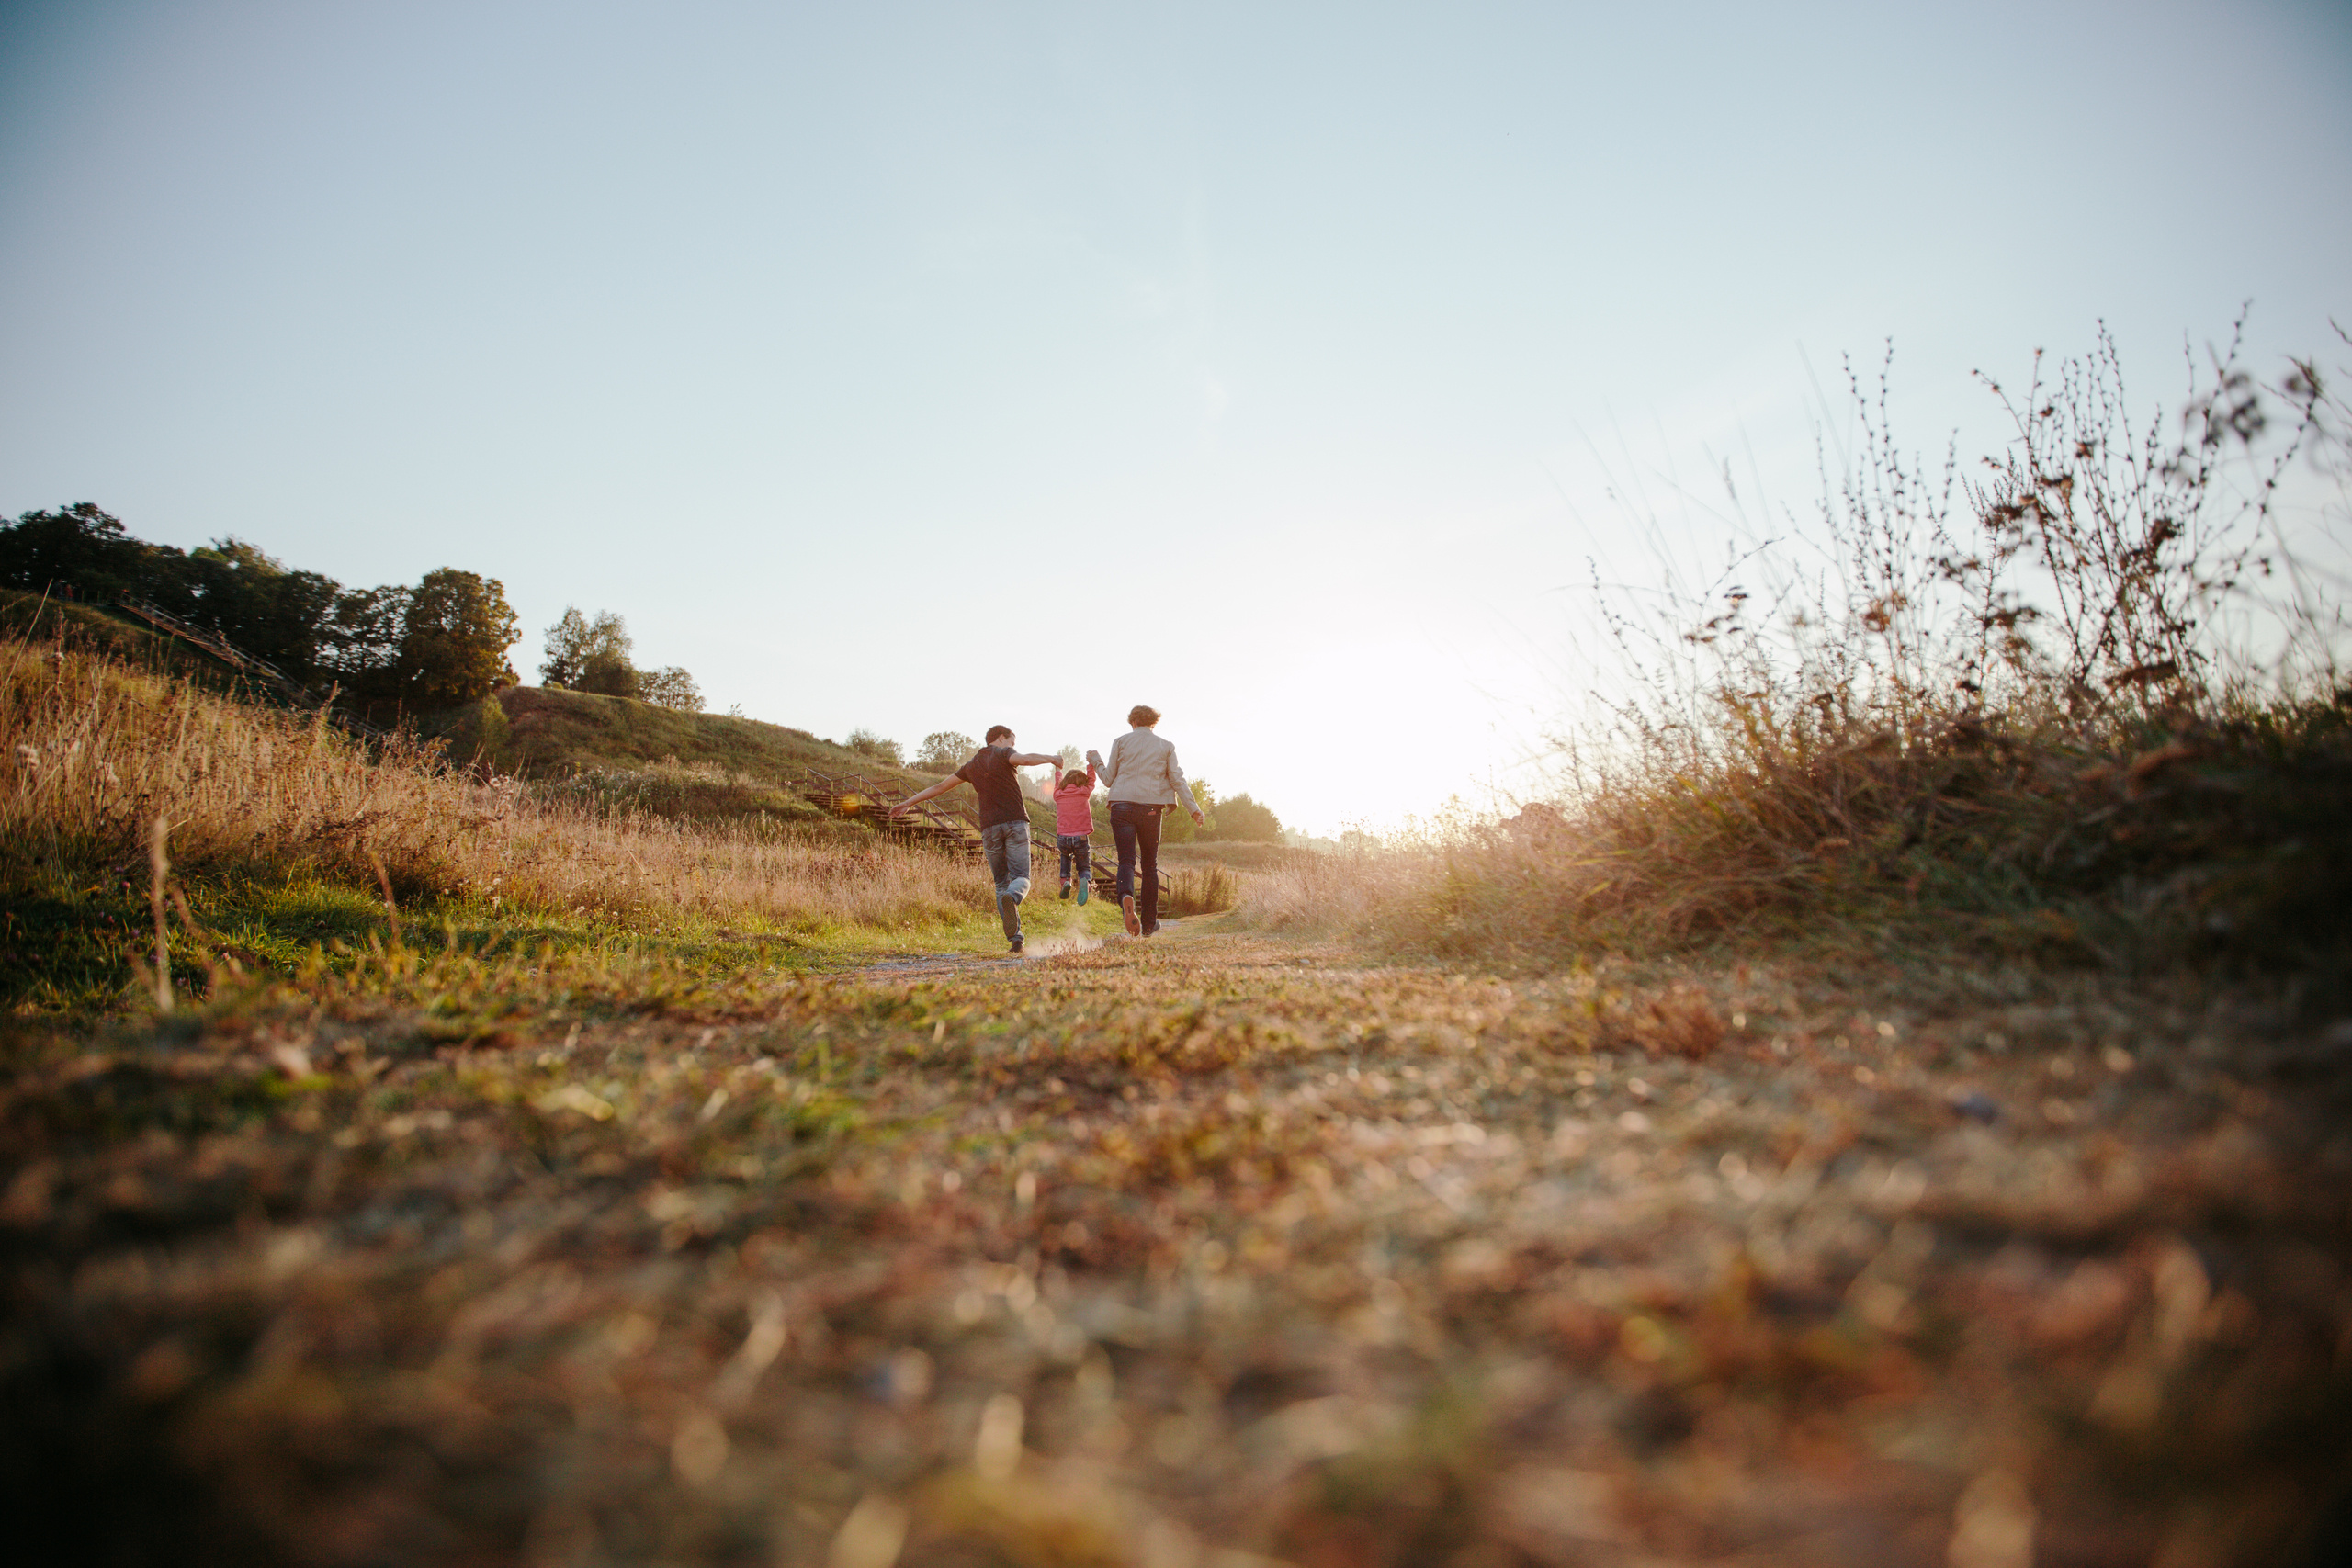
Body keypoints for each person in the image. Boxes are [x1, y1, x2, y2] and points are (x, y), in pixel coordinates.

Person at [890, 725, 1060, 953]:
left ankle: (1016, 939)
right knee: (1021, 878)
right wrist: (1052, 758)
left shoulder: (971, 766)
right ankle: (1014, 896)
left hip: (989, 829)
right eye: (1012, 741)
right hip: (1015, 823)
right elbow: (1025, 759)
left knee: (1001, 883)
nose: (1013, 746)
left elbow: (940, 787)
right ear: (1001, 738)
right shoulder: (1004, 753)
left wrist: (908, 802)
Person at [1098, 704, 1204, 938]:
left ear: (1132, 722)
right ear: (1153, 723)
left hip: (1121, 805)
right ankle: (1148, 924)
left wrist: (1096, 761)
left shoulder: (1120, 741)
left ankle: (1126, 895)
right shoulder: (1166, 746)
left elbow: (1107, 779)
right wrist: (1193, 809)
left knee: (1126, 860)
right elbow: (1178, 780)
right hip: (1151, 810)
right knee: (1149, 866)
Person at [1053, 759, 1098, 904]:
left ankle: (1066, 882)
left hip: (1063, 837)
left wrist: (1058, 770)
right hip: (1081, 837)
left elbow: (1057, 782)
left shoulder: (1058, 793)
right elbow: (1091, 781)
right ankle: (1085, 882)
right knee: (1083, 866)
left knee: (1065, 859)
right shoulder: (1084, 792)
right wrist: (1090, 765)